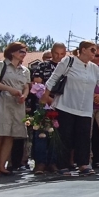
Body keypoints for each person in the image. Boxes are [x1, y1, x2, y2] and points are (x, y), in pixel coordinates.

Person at [45, 41, 99, 176]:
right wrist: (45, 97)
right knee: (65, 136)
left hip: (85, 108)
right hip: (66, 105)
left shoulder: (94, 68)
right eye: (92, 50)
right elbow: (53, 79)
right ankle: (62, 165)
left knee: (83, 137)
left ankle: (83, 164)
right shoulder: (68, 61)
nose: (94, 54)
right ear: (83, 50)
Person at [0, 42, 30, 176]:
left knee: (10, 135)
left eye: (25, 51)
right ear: (12, 52)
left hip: (17, 104)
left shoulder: (25, 70)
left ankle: (2, 165)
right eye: (21, 51)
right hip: (2, 101)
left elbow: (26, 86)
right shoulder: (1, 65)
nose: (24, 54)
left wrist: (24, 96)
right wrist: (10, 90)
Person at [31, 43, 67, 173]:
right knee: (41, 134)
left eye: (62, 54)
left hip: (63, 105)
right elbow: (37, 84)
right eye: (56, 53)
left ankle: (53, 162)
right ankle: (40, 163)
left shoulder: (68, 67)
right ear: (52, 53)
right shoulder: (43, 65)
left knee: (56, 136)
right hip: (45, 104)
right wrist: (48, 98)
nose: (59, 57)